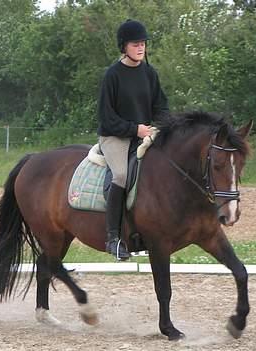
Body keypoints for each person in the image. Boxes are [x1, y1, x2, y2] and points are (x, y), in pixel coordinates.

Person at [97, 19, 169, 259]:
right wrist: (134, 129)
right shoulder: (112, 75)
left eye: (143, 44)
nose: (141, 48)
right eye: (135, 44)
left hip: (146, 133)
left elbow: (161, 107)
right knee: (120, 175)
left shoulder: (150, 73)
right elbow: (106, 118)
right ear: (123, 46)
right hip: (115, 136)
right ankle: (113, 239)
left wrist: (158, 127)